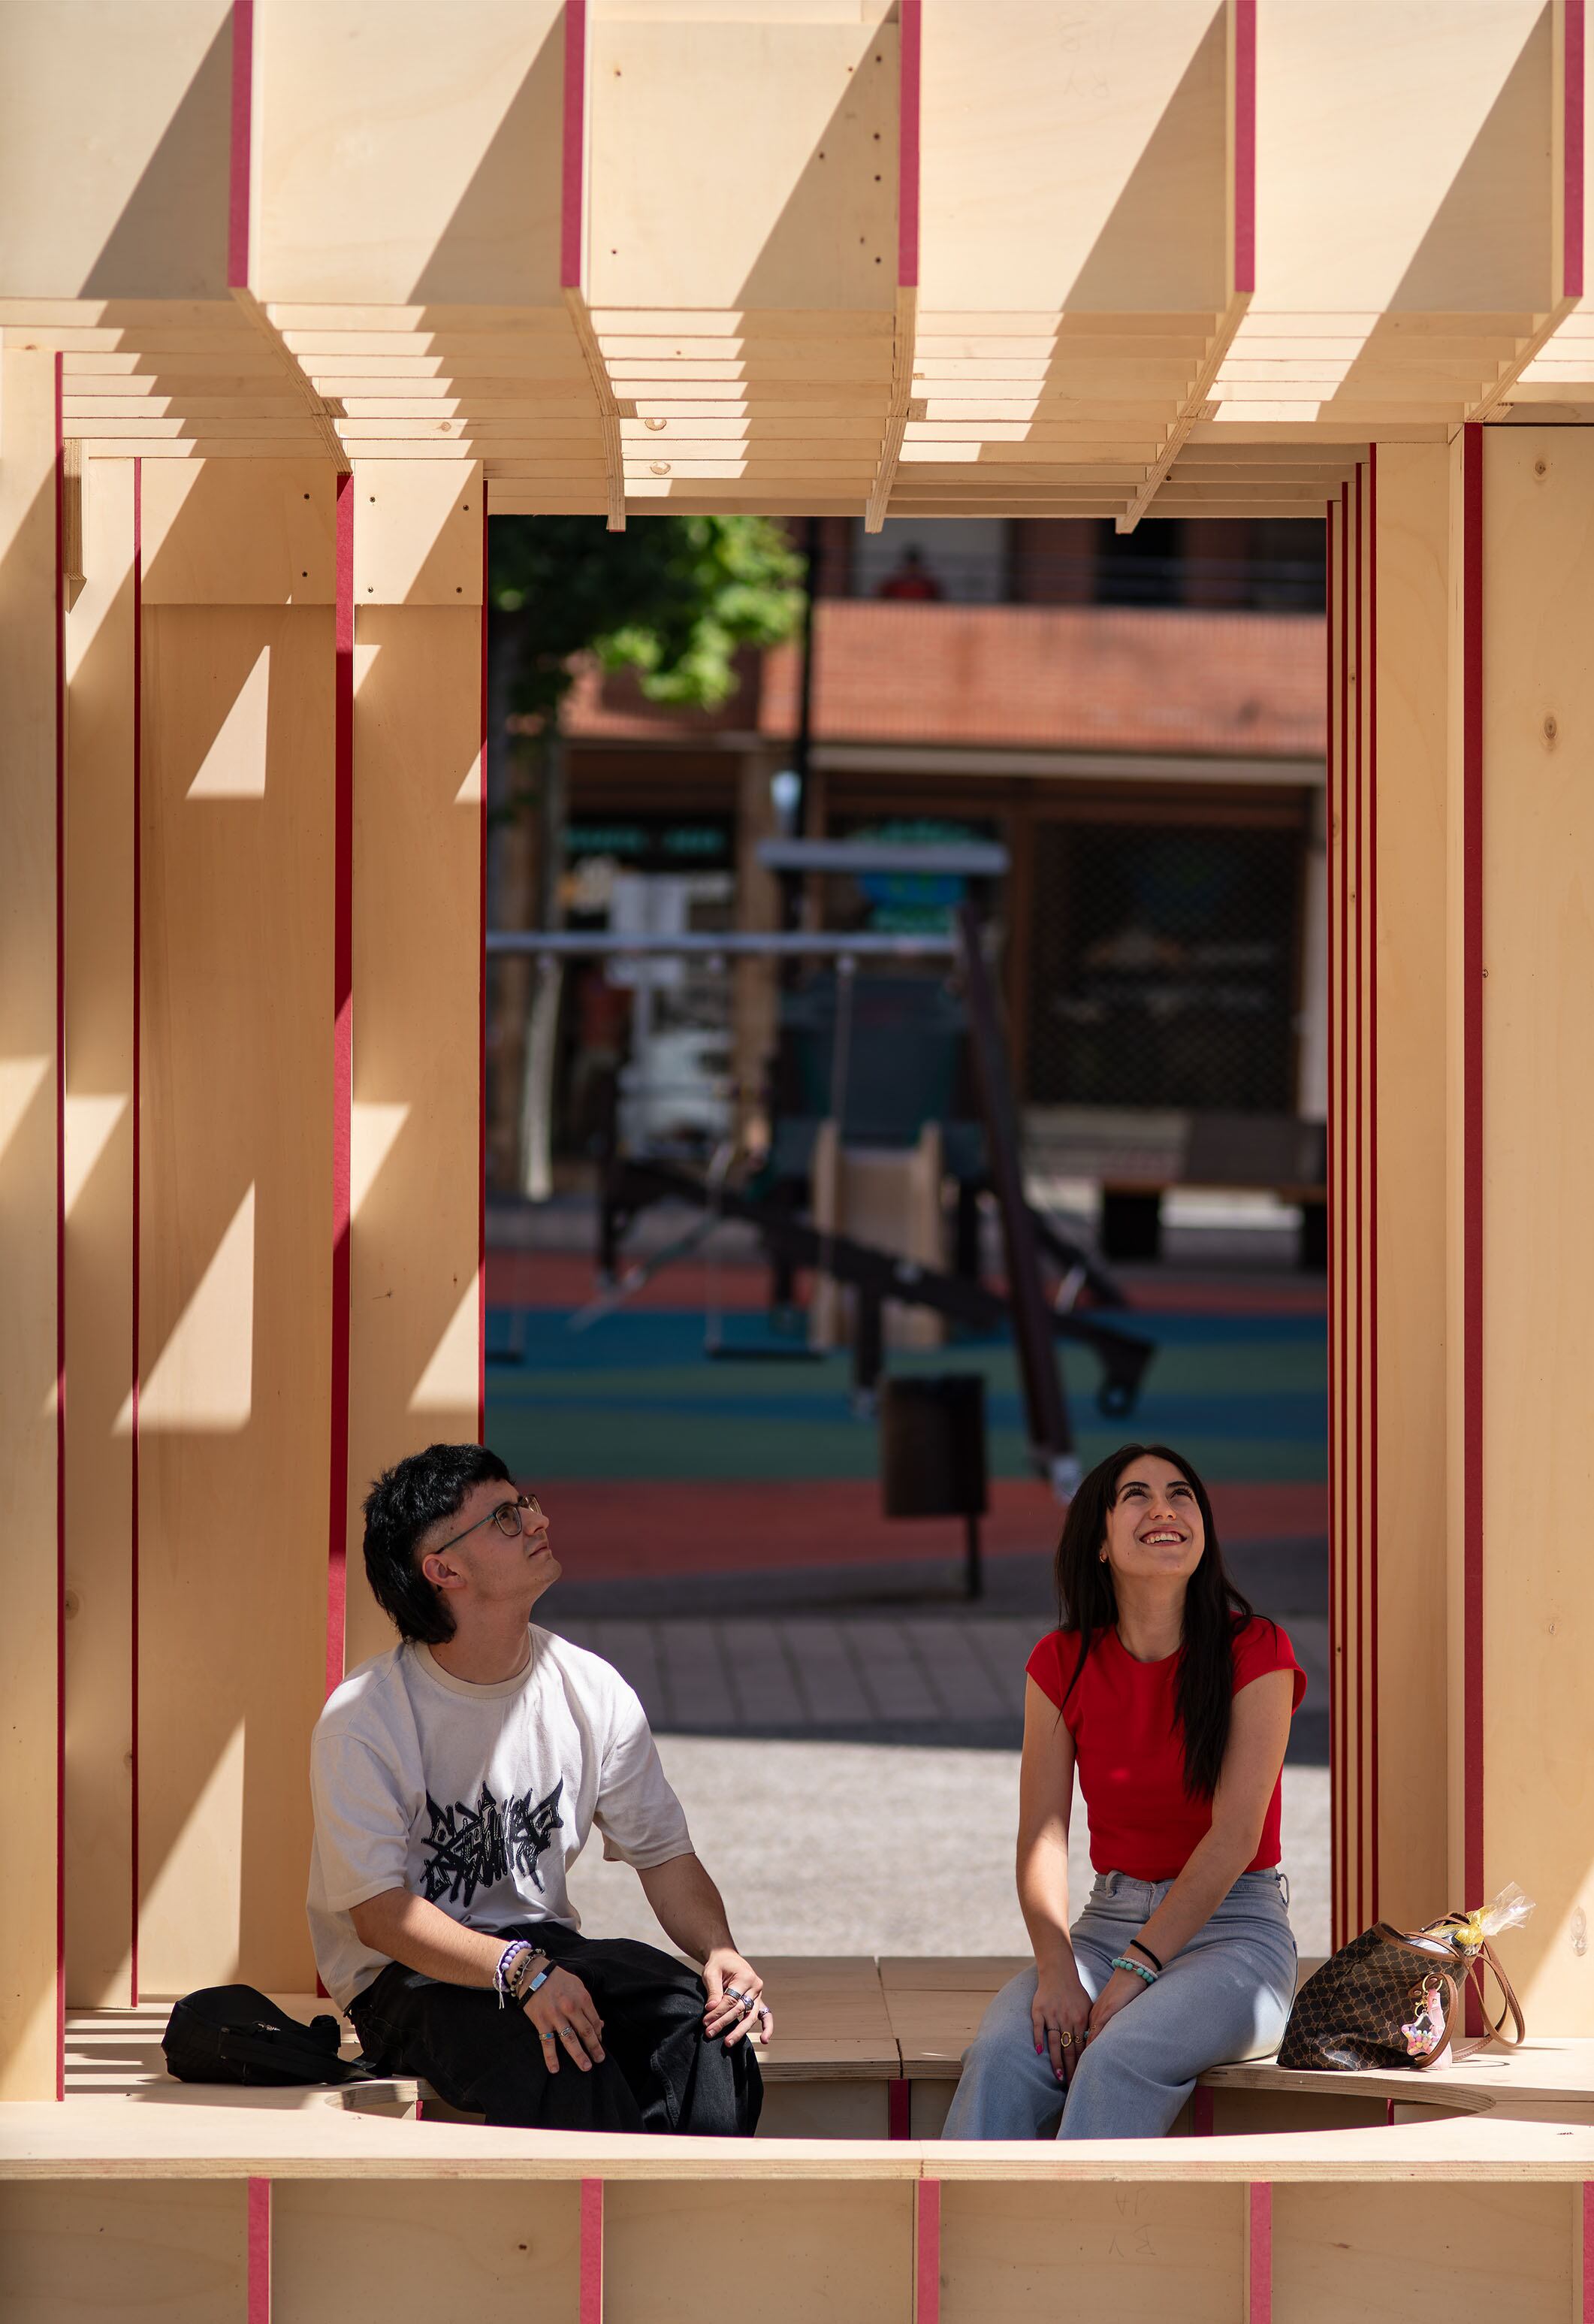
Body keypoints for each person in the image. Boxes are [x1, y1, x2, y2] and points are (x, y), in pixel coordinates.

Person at [307, 1441, 769, 2132]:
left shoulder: (590, 1686)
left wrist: (719, 1950)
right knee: (557, 2052)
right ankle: (594, 2204)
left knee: (701, 2026)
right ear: (444, 1570)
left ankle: (698, 2196)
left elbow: (664, 1855)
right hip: (404, 1977)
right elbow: (380, 1917)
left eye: (523, 1503)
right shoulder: (364, 1716)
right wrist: (521, 1972)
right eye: (504, 1517)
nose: (537, 1520)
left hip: (544, 1949)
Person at [943, 1443, 1303, 2141]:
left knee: (1118, 2057)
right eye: (1137, 1495)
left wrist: (1138, 1967)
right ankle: (961, 2216)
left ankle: (1079, 2219)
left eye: (1181, 1494)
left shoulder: (1258, 1649)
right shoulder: (1060, 1661)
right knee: (1002, 2056)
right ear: (1100, 1542)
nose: (1164, 1508)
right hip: (1105, 1924)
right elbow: (1042, 1836)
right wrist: (1056, 1969)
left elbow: (1234, 1837)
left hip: (1236, 1933)